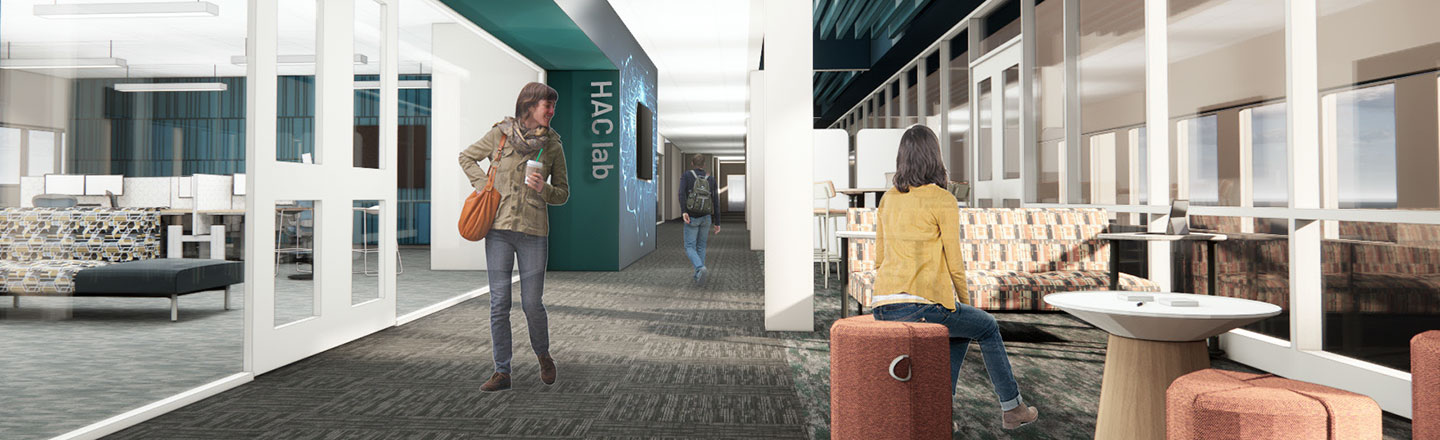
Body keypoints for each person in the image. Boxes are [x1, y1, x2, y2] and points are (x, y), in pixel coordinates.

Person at [871, 125, 1039, 430]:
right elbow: (955, 262)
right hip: (921, 305)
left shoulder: (889, 198)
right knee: (986, 326)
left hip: (882, 305)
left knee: (960, 332)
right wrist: (963, 302)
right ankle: (1013, 408)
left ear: (902, 159)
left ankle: (939, 414)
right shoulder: (942, 199)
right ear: (935, 157)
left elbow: (879, 258)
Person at [458, 82, 569, 392]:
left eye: (553, 108)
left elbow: (562, 193)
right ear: (529, 106)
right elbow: (466, 157)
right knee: (499, 303)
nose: (551, 112)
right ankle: (502, 371)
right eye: (547, 106)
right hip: (498, 231)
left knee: (532, 304)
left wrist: (542, 189)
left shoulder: (553, 146)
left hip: (534, 233)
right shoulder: (501, 134)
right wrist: (485, 187)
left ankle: (544, 356)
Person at [679, 154, 720, 284]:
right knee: (701, 245)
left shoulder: (687, 175)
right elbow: (716, 200)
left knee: (689, 246)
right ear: (704, 165)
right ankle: (699, 275)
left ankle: (699, 267)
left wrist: (684, 211)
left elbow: (681, 193)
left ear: (692, 163)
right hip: (706, 217)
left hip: (691, 216)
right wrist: (717, 222)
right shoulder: (711, 179)